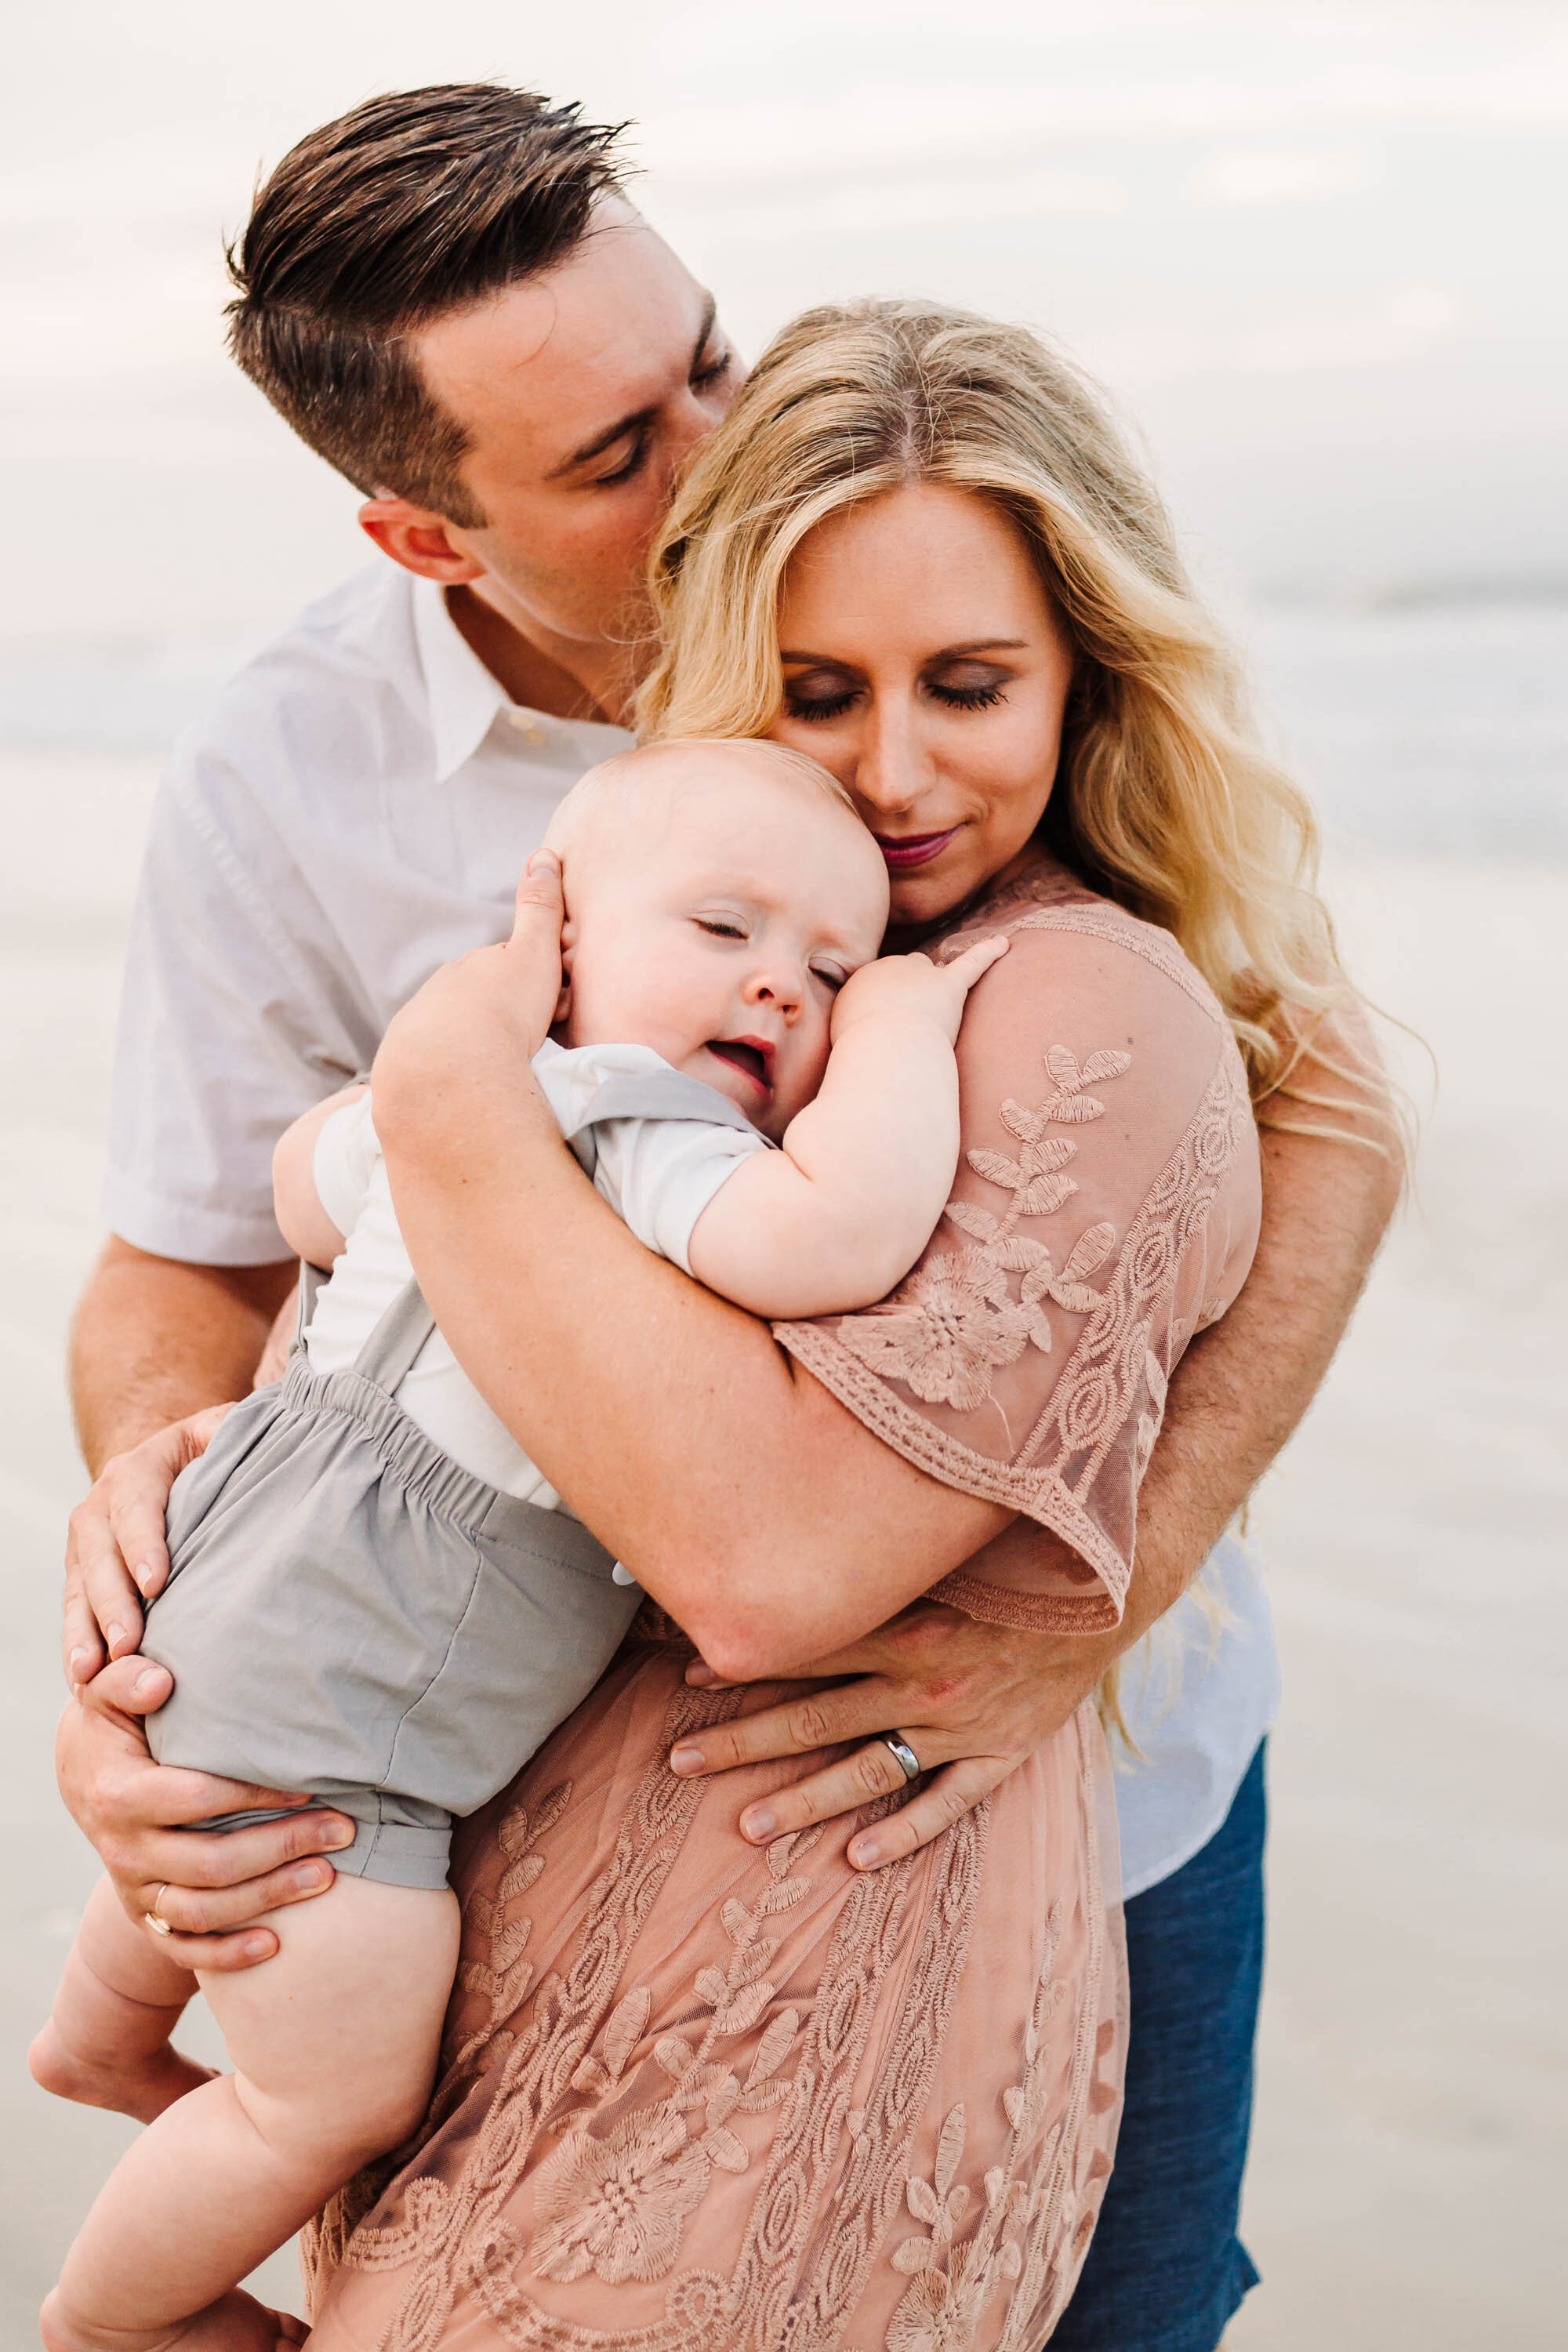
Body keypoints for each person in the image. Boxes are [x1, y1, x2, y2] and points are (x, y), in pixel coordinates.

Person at [55, 86, 1401, 2352]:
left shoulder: (945, 595)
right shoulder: (301, 776)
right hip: (519, 1794)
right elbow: (189, 1249)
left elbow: (1319, 1088)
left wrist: (1117, 1580)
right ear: (423, 535)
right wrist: (146, 1627)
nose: (723, 450)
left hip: (1084, 1776)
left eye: (709, 357)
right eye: (616, 450)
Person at [36, 740, 1015, 2352]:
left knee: (204, 1825)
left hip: (233, 1600)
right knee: (327, 2099)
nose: (780, 990)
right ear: (560, 943)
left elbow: (300, 1194)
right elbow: (838, 1237)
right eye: (724, 931)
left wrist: (461, 1029)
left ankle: (99, 2039)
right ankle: (113, 2324)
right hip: (351, 1696)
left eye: (831, 970)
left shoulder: (450, 1110)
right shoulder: (647, 1139)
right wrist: (905, 1034)